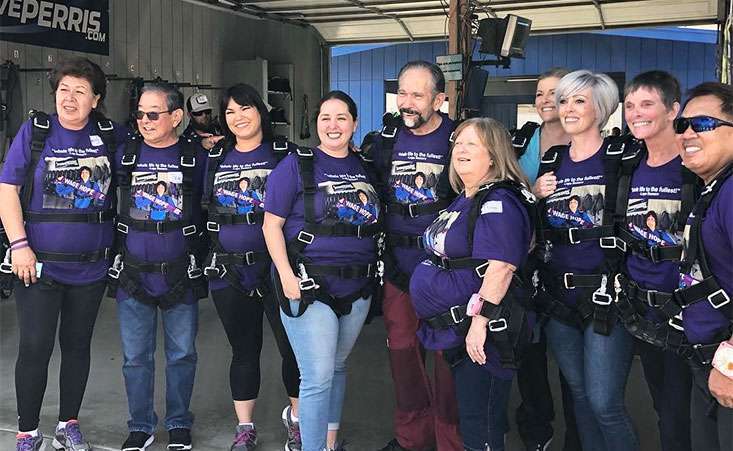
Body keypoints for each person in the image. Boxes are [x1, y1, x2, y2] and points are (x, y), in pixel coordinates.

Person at [0, 57, 121, 451]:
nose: (69, 98)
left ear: (96, 99)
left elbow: (150, 152)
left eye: (80, 91)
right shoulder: (35, 132)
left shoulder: (108, 135)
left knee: (77, 346)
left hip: (90, 268)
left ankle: (68, 425)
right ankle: (28, 431)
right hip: (37, 267)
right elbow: (7, 191)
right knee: (34, 346)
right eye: (64, 90)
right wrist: (18, 245)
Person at [263, 90, 381, 451]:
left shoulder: (367, 168)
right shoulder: (296, 166)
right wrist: (286, 276)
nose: (333, 125)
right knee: (316, 376)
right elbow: (271, 225)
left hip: (357, 284)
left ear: (355, 123)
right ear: (316, 124)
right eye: (325, 118)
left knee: (338, 366)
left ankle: (329, 443)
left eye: (341, 118)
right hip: (308, 282)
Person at [409, 117, 535, 451]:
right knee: (473, 417)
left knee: (483, 422)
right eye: (458, 142)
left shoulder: (499, 201)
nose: (460, 149)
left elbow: (502, 266)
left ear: (493, 155)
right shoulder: (467, 197)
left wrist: (480, 322)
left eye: (472, 144)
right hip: (458, 330)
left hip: (485, 333)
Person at [533, 70, 639, 451]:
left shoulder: (622, 158)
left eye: (579, 100)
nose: (568, 108)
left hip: (605, 297)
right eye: (564, 101)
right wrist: (535, 193)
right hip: (559, 298)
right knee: (578, 396)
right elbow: (531, 224)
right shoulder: (552, 160)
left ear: (602, 107)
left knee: (605, 403)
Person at [365, 61, 460, 451]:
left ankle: (450, 440)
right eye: (402, 93)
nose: (406, 102)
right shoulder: (385, 141)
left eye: (417, 95)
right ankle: (411, 438)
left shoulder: (459, 140)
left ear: (440, 99)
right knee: (404, 357)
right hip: (400, 271)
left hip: (446, 274)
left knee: (447, 362)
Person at [202, 83, 301, 451]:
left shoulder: (285, 154)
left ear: (260, 111)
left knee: (292, 350)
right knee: (243, 350)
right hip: (229, 272)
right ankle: (245, 428)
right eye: (229, 112)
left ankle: (297, 422)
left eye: (245, 108)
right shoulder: (215, 158)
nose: (238, 117)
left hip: (277, 270)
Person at [110, 82, 207, 451]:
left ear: (177, 117)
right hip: (133, 274)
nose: (145, 121)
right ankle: (140, 425)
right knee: (136, 358)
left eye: (154, 114)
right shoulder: (125, 155)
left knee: (182, 354)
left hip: (181, 272)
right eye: (139, 114)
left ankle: (179, 422)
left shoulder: (195, 158)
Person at [614, 70, 698, 451]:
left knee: (684, 410)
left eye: (647, 104)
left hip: (686, 313)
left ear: (672, 110)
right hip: (643, 309)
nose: (636, 113)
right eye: (630, 106)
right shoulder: (629, 168)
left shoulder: (694, 167)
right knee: (662, 405)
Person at [513, 67, 580, 451]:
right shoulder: (522, 141)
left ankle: (577, 434)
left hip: (571, 262)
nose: (545, 100)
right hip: (527, 259)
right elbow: (504, 188)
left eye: (555, 92)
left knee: (574, 362)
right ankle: (537, 426)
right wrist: (531, 192)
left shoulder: (588, 143)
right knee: (529, 349)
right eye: (539, 93)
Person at [673, 82, 733, 451]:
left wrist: (729, 366)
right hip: (707, 360)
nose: (689, 133)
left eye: (705, 124)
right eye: (683, 125)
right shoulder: (714, 189)